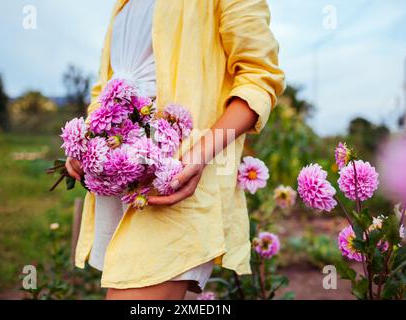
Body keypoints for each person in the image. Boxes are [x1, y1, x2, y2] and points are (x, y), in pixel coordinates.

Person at [66, 0, 285, 300]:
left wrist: (199, 155)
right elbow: (105, 85)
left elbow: (259, 79)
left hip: (175, 176)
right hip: (119, 172)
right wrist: (86, 140)